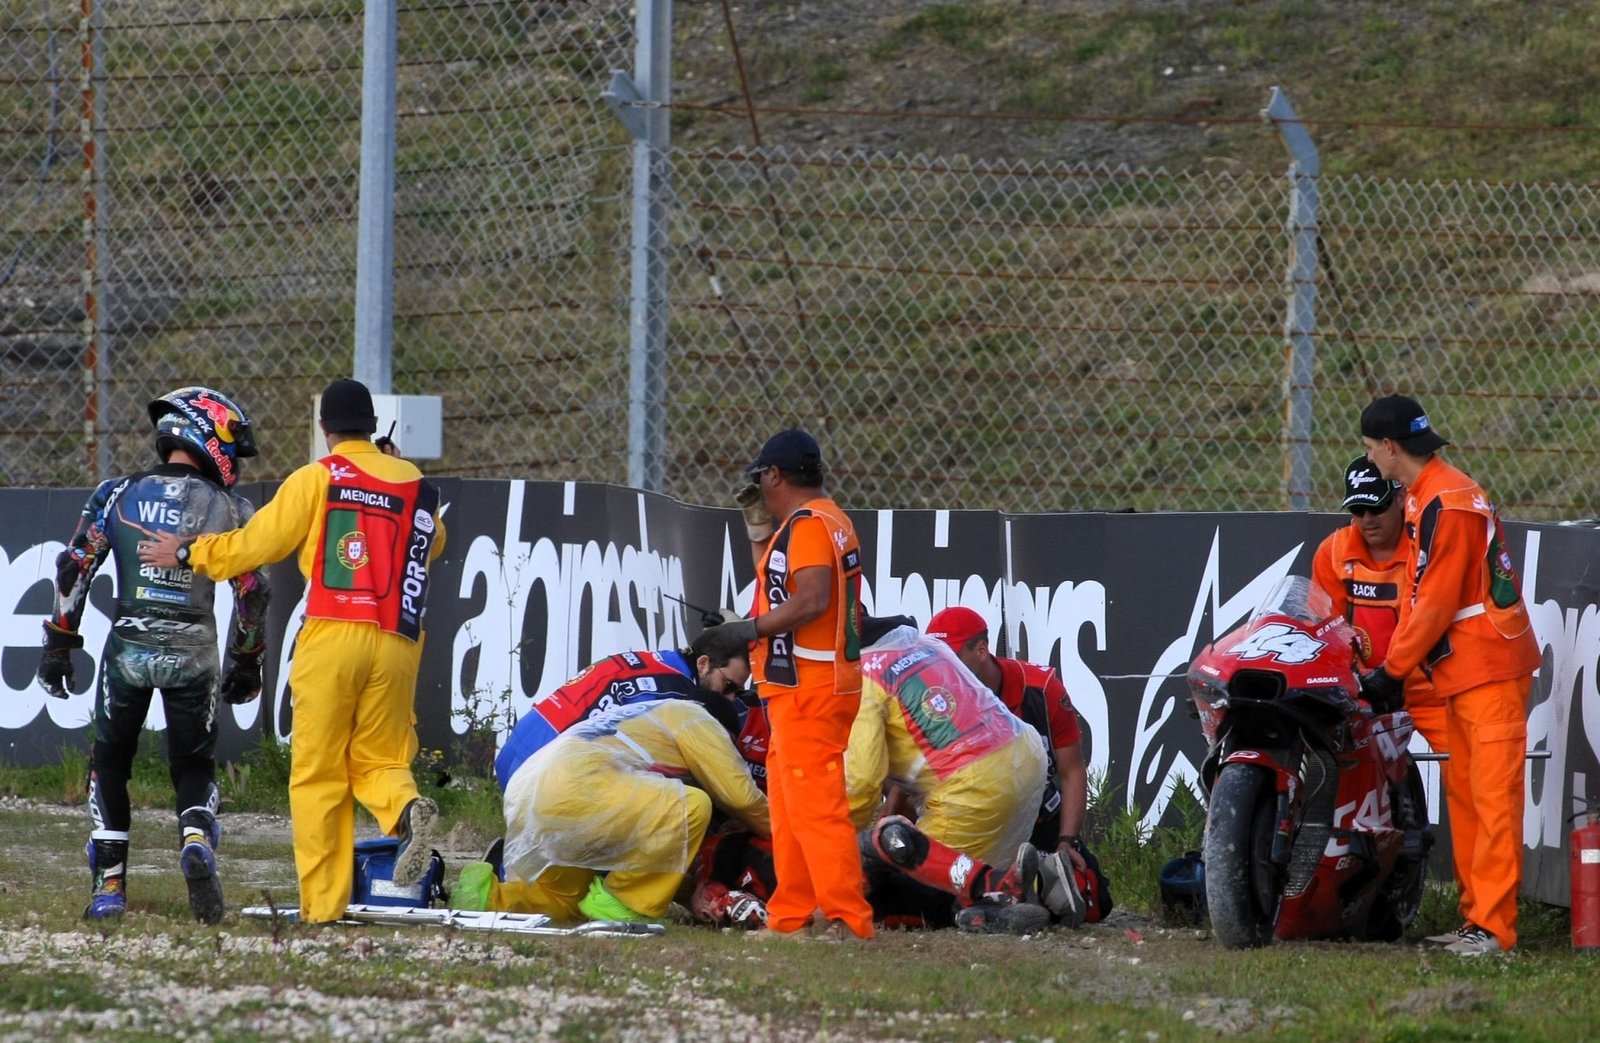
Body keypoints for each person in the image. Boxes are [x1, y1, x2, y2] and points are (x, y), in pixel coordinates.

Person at [138, 378, 447, 924]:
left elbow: (257, 545)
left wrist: (188, 552)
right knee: (380, 757)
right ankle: (405, 810)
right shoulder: (417, 485)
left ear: (325, 429)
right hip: (398, 641)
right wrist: (395, 468)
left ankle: (323, 908)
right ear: (373, 428)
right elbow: (434, 544)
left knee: (318, 773)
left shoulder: (318, 477)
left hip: (333, 633)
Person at [38, 386, 271, 923]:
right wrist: (247, 659)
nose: (235, 460)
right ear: (208, 435)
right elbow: (254, 591)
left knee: (110, 762)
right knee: (192, 764)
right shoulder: (233, 508)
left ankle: (109, 887)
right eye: (233, 446)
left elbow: (75, 567)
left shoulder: (116, 492)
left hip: (128, 649)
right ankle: (195, 835)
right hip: (195, 650)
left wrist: (59, 644)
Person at [1358, 394, 1541, 956]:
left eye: (1370, 448)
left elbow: (1436, 601)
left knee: (1492, 799)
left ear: (1390, 447)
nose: (1369, 459)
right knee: (1466, 798)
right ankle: (1476, 920)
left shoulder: (1450, 502)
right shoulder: (1429, 495)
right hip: (1464, 671)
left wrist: (1392, 671)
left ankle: (1494, 929)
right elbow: (1424, 599)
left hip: (1488, 668)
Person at [718, 427, 875, 941]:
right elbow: (778, 584)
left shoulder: (809, 526)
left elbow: (810, 599)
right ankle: (791, 916)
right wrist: (758, 532)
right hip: (802, 687)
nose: (760, 492)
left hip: (811, 687)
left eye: (761, 481)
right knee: (789, 808)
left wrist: (748, 631)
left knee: (816, 808)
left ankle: (847, 919)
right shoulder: (825, 519)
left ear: (774, 475)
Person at [845, 624, 1051, 933]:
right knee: (936, 858)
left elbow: (861, 786)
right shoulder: (920, 642)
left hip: (972, 786)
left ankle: (991, 900)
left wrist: (833, 841)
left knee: (890, 868)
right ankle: (1045, 880)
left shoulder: (860, 677)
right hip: (1025, 754)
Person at [499, 697, 770, 922]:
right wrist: (784, 833)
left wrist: (695, 893)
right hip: (578, 788)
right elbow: (740, 798)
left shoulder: (642, 716)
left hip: (528, 791)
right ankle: (621, 904)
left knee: (560, 898)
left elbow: (662, 857)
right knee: (690, 806)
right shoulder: (697, 717)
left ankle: (487, 895)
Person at [925, 605, 1109, 925]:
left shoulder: (1041, 688)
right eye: (935, 658)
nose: (942, 668)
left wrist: (1067, 841)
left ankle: (1017, 891)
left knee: (1095, 901)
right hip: (971, 823)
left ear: (981, 650)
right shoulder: (933, 697)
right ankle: (1008, 897)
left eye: (951, 657)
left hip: (1039, 819)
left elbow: (1072, 771)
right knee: (925, 901)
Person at [492, 626, 753, 791]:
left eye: (738, 692)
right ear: (703, 663)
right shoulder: (677, 695)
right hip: (539, 774)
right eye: (728, 685)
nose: (730, 699)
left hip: (513, 753)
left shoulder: (657, 661)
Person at [1310, 456, 1445, 751]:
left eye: (1377, 507)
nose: (1368, 519)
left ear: (1400, 498)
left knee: (1465, 767)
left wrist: (1394, 676)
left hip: (1432, 692)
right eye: (1358, 510)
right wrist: (1361, 683)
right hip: (1365, 693)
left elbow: (1433, 620)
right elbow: (1328, 631)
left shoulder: (1426, 547)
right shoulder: (1332, 552)